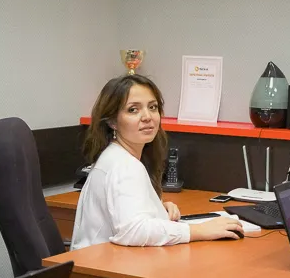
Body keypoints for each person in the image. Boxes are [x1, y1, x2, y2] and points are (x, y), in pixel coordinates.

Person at [71, 74, 243, 250]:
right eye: (133, 110)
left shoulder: (114, 155)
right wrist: (198, 230)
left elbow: (125, 213)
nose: (147, 116)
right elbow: (133, 230)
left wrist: (155, 210)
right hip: (103, 264)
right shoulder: (124, 165)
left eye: (152, 107)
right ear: (112, 121)